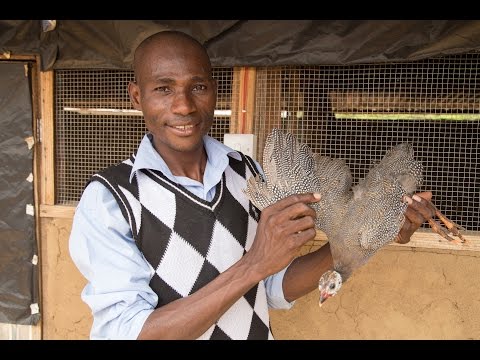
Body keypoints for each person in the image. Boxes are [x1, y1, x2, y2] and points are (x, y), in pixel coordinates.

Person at [68, 30, 436, 340]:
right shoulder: (112, 199)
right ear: (137, 97)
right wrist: (253, 264)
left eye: (197, 87)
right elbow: (130, 332)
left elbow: (271, 288)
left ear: (214, 90)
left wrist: (361, 238)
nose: (183, 106)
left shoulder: (247, 174)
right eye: (164, 88)